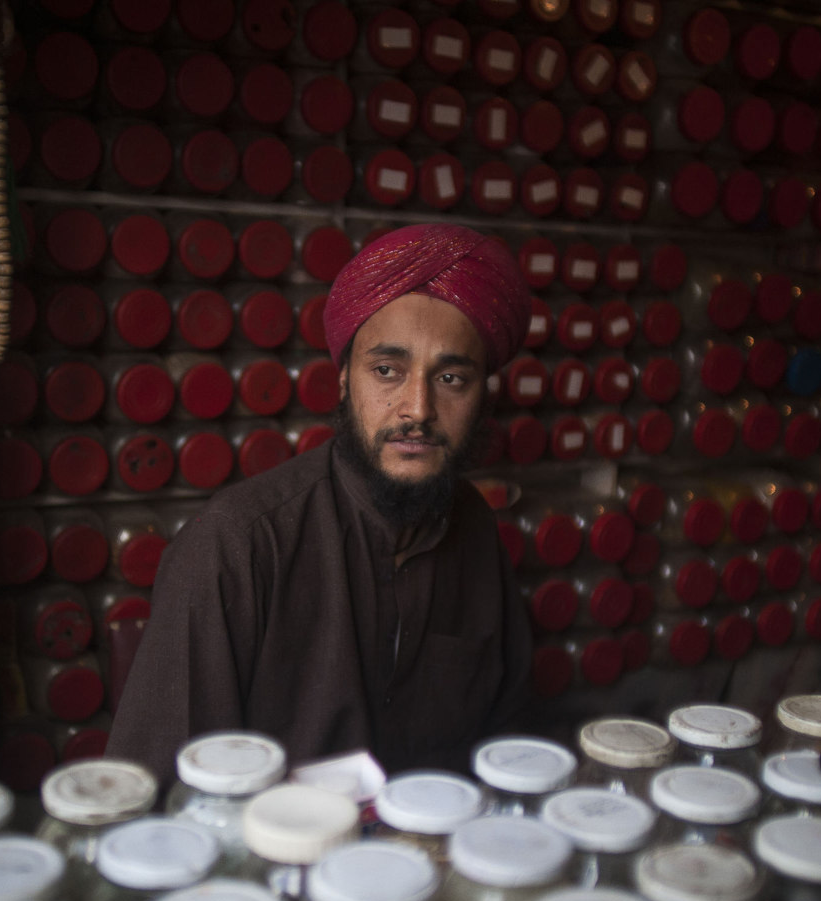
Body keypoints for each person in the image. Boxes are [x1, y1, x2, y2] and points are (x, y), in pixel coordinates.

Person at [106, 223, 537, 780]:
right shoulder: (236, 547)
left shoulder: (475, 526)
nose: (418, 408)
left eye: (451, 378)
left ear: (482, 397)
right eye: (387, 371)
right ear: (342, 381)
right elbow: (160, 801)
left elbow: (514, 746)